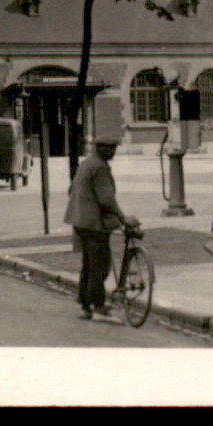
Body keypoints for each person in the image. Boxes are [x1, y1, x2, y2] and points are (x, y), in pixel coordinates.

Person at [63, 136, 138, 321]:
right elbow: (106, 200)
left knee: (88, 264)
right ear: (100, 149)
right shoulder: (100, 167)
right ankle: (98, 307)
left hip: (80, 220)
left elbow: (71, 189)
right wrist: (123, 218)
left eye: (114, 148)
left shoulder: (87, 163)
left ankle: (85, 304)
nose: (113, 152)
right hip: (93, 224)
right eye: (110, 148)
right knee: (100, 265)